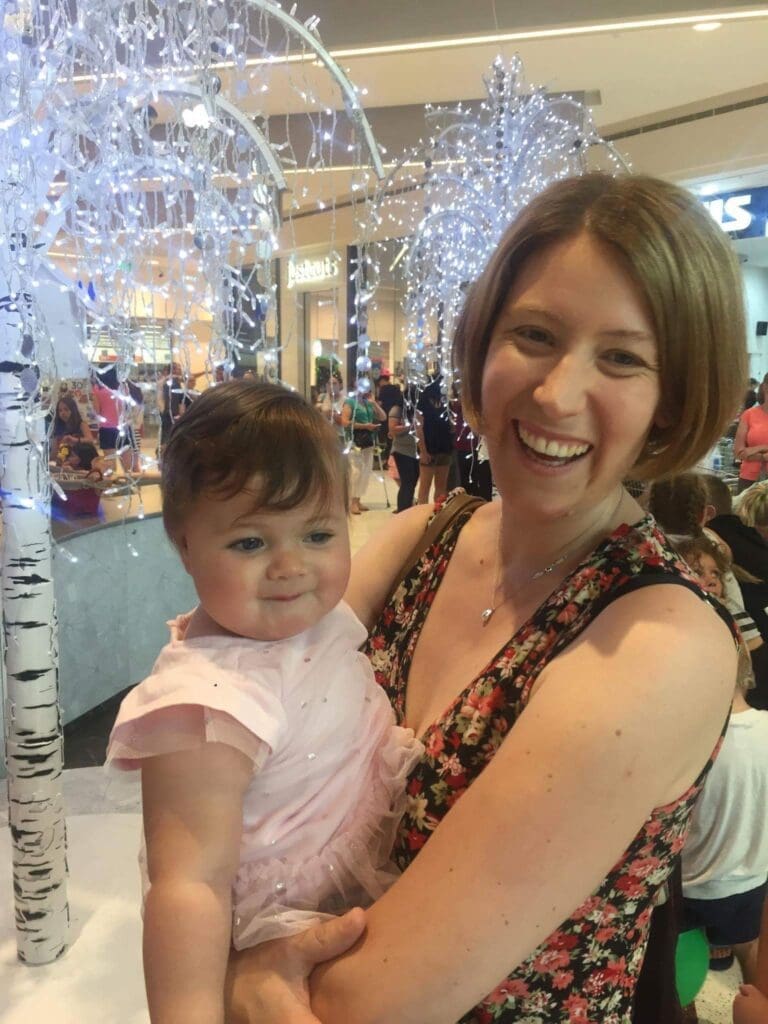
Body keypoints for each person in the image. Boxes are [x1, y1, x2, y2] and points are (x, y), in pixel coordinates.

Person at [224, 172, 745, 1024]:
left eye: (621, 357)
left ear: (670, 401)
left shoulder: (659, 642)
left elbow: (365, 1004)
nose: (556, 394)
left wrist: (236, 965)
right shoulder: (421, 537)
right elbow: (215, 731)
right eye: (534, 335)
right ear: (483, 345)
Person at [106, 382, 421, 1022]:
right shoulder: (210, 701)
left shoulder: (304, 621)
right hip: (288, 922)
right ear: (184, 544)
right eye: (251, 543)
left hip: (352, 870)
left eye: (318, 534)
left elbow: (386, 559)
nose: (290, 566)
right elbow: (188, 887)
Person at [673, 538, 768, 985]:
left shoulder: (689, 740)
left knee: (678, 963)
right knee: (752, 953)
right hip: (750, 881)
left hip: (690, 885)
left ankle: (685, 1006)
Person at [340, 379, 386, 515]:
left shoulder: (368, 403)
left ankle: (358, 499)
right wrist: (365, 426)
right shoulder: (350, 402)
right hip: (354, 441)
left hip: (368, 441)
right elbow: (344, 422)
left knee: (365, 471)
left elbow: (383, 417)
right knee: (356, 472)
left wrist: (374, 404)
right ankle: (352, 502)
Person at [91, 365, 144, 472]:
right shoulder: (123, 388)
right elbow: (127, 408)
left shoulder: (97, 390)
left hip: (106, 430)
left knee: (110, 467)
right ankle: (131, 482)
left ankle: (113, 481)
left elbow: (97, 412)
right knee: (129, 468)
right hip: (123, 428)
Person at [415, 375, 454, 504]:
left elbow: (418, 427)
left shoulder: (422, 401)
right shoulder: (445, 402)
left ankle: (426, 513)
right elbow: (451, 425)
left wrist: (422, 450)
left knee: (426, 487)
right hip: (442, 445)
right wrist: (423, 451)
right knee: (438, 487)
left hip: (432, 446)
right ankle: (436, 512)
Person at [388, 384, 419, 514]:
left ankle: (407, 508)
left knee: (412, 482)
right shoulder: (397, 409)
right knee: (407, 482)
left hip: (415, 450)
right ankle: (403, 510)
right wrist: (412, 426)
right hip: (402, 450)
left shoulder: (417, 409)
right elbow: (393, 430)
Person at [734, 374, 768, 493]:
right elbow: (738, 452)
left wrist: (751, 452)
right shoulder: (749, 414)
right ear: (765, 387)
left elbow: (745, 452)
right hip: (748, 479)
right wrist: (763, 451)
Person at [50, 392, 95, 459]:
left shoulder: (81, 424)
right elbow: (53, 455)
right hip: (64, 461)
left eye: (66, 409)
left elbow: (90, 440)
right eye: (60, 410)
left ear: (73, 410)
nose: (63, 413)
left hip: (83, 459)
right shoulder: (58, 428)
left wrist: (75, 440)